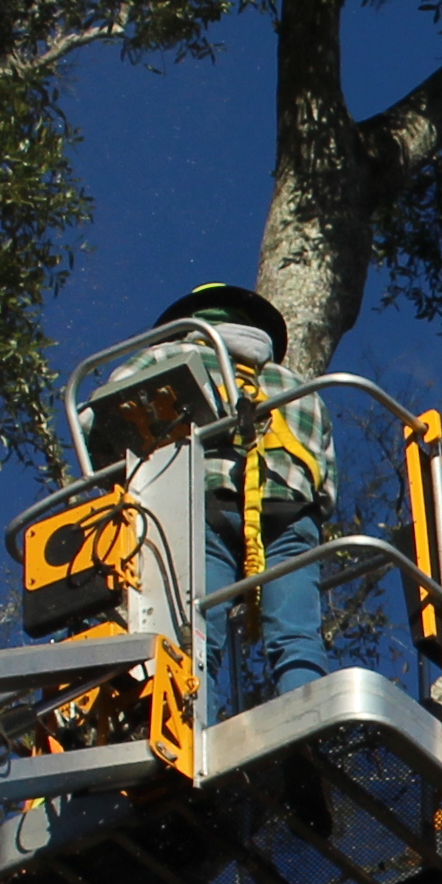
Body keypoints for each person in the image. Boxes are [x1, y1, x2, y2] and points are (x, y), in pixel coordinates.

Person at [149, 279, 339, 707]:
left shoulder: (167, 356)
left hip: (207, 504)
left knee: (197, 639)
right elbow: (326, 487)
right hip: (293, 512)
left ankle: (193, 741)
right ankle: (310, 733)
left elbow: (95, 428)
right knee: (297, 636)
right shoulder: (298, 386)